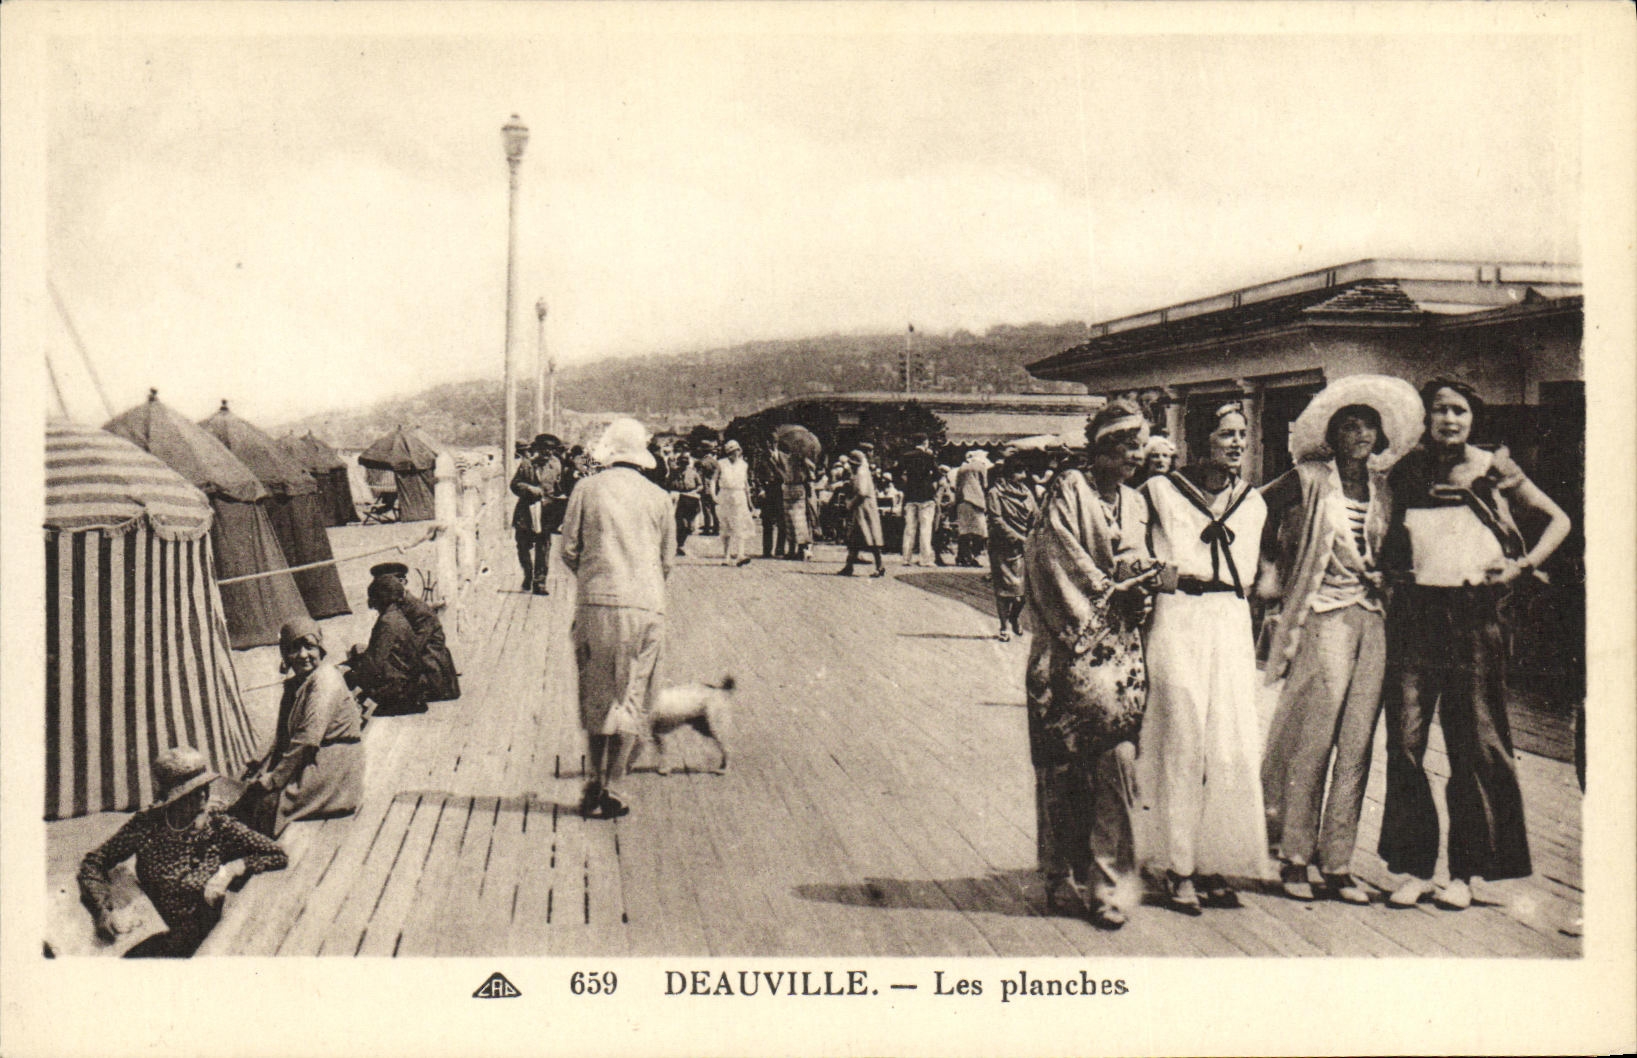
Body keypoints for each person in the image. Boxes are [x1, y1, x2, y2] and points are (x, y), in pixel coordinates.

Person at [1375, 377, 1571, 910]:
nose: (1449, 419)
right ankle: (1414, 868)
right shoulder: (1408, 469)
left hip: (1475, 620)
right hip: (1415, 619)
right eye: (1438, 410)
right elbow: (1383, 531)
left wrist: (1521, 566)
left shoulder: (1495, 467)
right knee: (1406, 743)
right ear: (1425, 418)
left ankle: (1465, 873)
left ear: (1473, 418)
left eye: (1459, 410)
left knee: (1474, 746)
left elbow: (1558, 520)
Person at [1254, 375, 1423, 904]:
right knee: (1315, 735)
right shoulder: (1307, 479)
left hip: (1371, 619)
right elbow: (1253, 512)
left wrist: (1388, 578)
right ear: (1332, 432)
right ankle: (1295, 857)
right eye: (1350, 425)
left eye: (1369, 426)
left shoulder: (1384, 487)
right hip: (1321, 616)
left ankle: (1339, 862)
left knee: (1357, 741)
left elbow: (1397, 550)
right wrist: (1268, 574)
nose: (1360, 434)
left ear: (1380, 435)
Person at [1022, 401, 1159, 930]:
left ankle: (1108, 883)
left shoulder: (1136, 502)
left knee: (1117, 763)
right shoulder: (1068, 490)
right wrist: (1110, 591)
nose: (1136, 455)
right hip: (1066, 648)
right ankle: (1060, 877)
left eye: (1140, 445)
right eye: (1126, 445)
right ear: (1100, 449)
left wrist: (1139, 585)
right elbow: (1053, 560)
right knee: (1062, 767)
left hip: (1119, 656)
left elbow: (1136, 557)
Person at [1137, 402, 1270, 914]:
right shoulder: (1160, 492)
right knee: (1180, 737)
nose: (1236, 443)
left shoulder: (1253, 503)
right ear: (1198, 441)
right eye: (1225, 434)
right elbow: (1129, 549)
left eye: (1241, 434)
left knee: (1228, 742)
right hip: (1179, 616)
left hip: (1231, 622)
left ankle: (1212, 859)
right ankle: (1176, 865)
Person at [561, 417, 677, 819]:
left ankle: (593, 779)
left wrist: (594, 581)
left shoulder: (586, 488)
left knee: (596, 693)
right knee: (633, 695)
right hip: (646, 604)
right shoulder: (660, 497)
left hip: (597, 603)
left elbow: (568, 549)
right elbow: (667, 560)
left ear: (610, 451)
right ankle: (616, 785)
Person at [79, 746, 288, 957]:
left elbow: (277, 854)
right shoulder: (146, 826)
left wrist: (232, 869)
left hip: (203, 939)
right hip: (149, 932)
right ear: (174, 798)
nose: (204, 796)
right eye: (194, 792)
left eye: (206, 787)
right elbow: (94, 862)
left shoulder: (217, 824)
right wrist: (103, 911)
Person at [237, 618, 365, 837]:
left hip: (332, 772)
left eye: (309, 647)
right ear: (285, 655)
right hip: (324, 765)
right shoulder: (304, 682)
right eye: (294, 649)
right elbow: (283, 734)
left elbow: (307, 740)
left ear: (321, 649)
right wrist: (259, 761)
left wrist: (273, 779)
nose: (303, 655)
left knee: (258, 809)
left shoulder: (324, 682)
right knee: (248, 799)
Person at [369, 561, 460, 702]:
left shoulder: (417, 610)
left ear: (402, 582)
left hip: (432, 677)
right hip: (421, 668)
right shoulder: (398, 606)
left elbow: (413, 648)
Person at [346, 573, 429, 716]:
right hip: (410, 685)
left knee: (347, 674)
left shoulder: (387, 622)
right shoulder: (397, 616)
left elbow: (375, 663)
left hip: (400, 691)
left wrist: (351, 674)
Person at [986, 457, 1037, 640]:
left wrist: (1032, 535)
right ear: (1009, 474)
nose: (1022, 476)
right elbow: (996, 519)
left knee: (1022, 593)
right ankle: (1004, 626)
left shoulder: (1027, 493)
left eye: (1024, 472)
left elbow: (1035, 516)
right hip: (1002, 546)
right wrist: (1017, 537)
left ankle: (1014, 617)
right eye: (1018, 472)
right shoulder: (995, 493)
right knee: (1004, 590)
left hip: (1024, 548)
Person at [510, 434, 563, 595]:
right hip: (526, 511)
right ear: (538, 449)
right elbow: (514, 485)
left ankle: (539, 582)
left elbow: (559, 486)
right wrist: (529, 489)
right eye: (544, 449)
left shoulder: (556, 465)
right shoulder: (527, 465)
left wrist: (560, 500)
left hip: (546, 512)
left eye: (551, 449)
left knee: (544, 547)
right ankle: (528, 573)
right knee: (523, 546)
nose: (548, 452)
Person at [837, 449, 887, 577]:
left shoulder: (861, 473)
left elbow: (862, 493)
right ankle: (849, 566)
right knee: (855, 538)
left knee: (870, 537)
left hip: (864, 510)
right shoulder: (860, 472)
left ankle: (879, 565)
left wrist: (850, 503)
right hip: (861, 510)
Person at [898, 435, 941, 567]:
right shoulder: (929, 457)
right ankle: (925, 559)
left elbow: (897, 472)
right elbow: (938, 474)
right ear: (925, 442)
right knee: (925, 528)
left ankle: (906, 558)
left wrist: (904, 485)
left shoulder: (906, 456)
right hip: (926, 496)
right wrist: (930, 482)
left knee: (909, 529)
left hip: (910, 495)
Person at [713, 439, 755, 567]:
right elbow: (713, 480)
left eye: (736, 451)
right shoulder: (721, 464)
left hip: (739, 496)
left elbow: (746, 484)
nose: (734, 454)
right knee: (726, 526)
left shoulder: (744, 465)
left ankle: (740, 555)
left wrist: (750, 502)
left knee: (740, 525)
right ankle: (726, 556)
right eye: (731, 452)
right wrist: (714, 495)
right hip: (725, 495)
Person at [954, 449, 990, 566]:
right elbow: (985, 484)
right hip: (976, 501)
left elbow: (957, 484)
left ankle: (962, 556)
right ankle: (976, 556)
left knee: (964, 530)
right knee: (980, 531)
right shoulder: (981, 467)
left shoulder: (962, 468)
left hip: (962, 501)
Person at [667, 451, 703, 557]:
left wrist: (695, 491)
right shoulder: (674, 473)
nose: (683, 465)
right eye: (681, 463)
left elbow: (700, 485)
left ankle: (680, 544)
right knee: (681, 523)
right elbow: (668, 484)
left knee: (689, 525)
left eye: (685, 463)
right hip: (679, 499)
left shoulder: (693, 473)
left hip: (691, 499)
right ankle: (679, 544)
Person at [696, 443, 720, 536]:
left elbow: (700, 475)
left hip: (706, 487)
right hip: (715, 488)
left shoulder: (702, 462)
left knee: (707, 509)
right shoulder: (716, 462)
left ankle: (707, 528)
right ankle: (716, 528)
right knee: (714, 509)